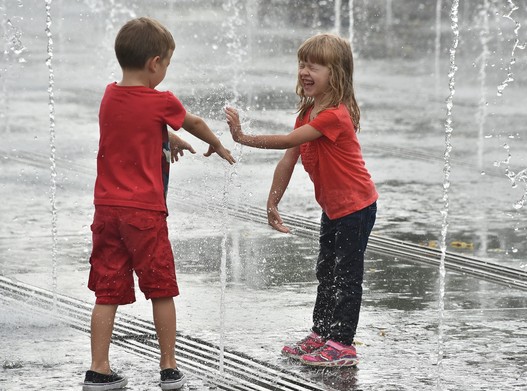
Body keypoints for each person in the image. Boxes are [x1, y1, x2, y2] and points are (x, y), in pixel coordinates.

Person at [83, 17, 235, 391]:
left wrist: (166, 138)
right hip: (145, 214)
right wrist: (214, 142)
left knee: (106, 291)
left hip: (106, 211)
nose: (166, 70)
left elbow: (132, 125)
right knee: (161, 288)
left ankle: (98, 369)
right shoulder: (160, 100)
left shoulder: (109, 95)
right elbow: (194, 121)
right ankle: (168, 366)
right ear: (154, 63)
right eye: (167, 63)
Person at [225, 33, 377, 367]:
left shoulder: (333, 116)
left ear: (335, 73)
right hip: (335, 208)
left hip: (357, 208)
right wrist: (272, 202)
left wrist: (241, 137)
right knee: (326, 271)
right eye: (302, 64)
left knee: (346, 276)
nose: (305, 71)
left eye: (315, 66)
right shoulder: (308, 111)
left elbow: (285, 142)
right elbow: (288, 159)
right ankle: (321, 334)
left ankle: (342, 344)